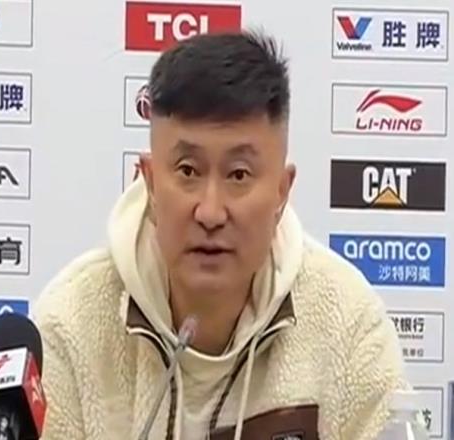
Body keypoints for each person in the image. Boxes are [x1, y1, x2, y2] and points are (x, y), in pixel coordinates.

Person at [34, 30, 407, 440]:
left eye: (239, 175)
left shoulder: (348, 323)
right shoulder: (71, 324)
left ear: (281, 192)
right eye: (188, 171)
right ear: (151, 182)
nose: (210, 213)